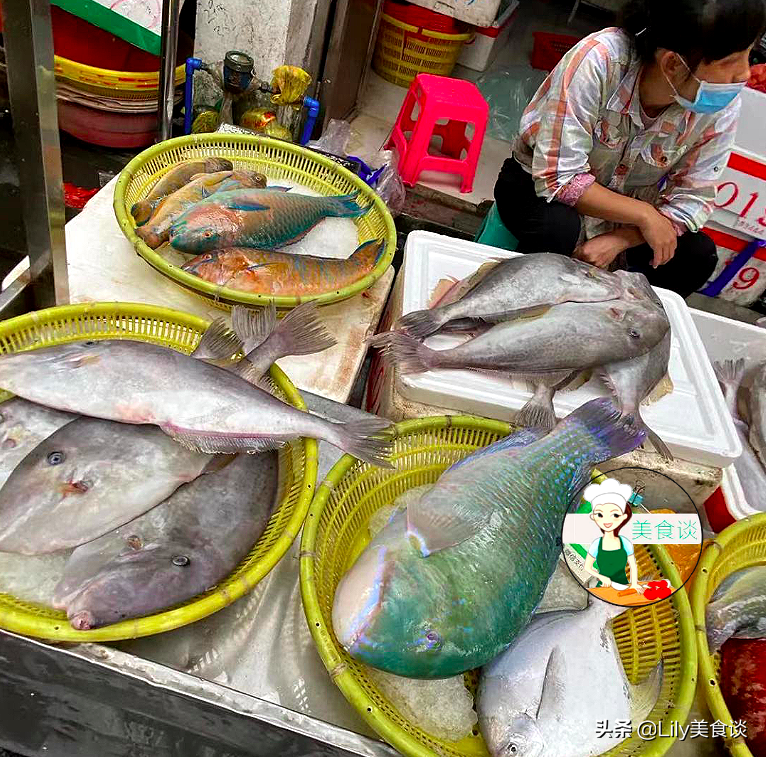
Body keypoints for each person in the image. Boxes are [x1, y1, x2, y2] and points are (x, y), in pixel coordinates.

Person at [494, 0, 766, 298]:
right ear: (673, 64)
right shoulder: (600, 59)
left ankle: (626, 326)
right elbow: (558, 178)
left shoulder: (720, 104)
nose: (743, 74)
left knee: (696, 255)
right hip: (536, 188)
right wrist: (646, 216)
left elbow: (693, 199)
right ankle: (526, 308)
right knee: (557, 228)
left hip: (625, 212)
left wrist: (621, 238)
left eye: (748, 55)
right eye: (729, 61)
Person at [581, 479, 644, 594]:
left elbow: (632, 565)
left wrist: (634, 584)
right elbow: (587, 567)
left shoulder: (625, 542)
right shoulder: (596, 543)